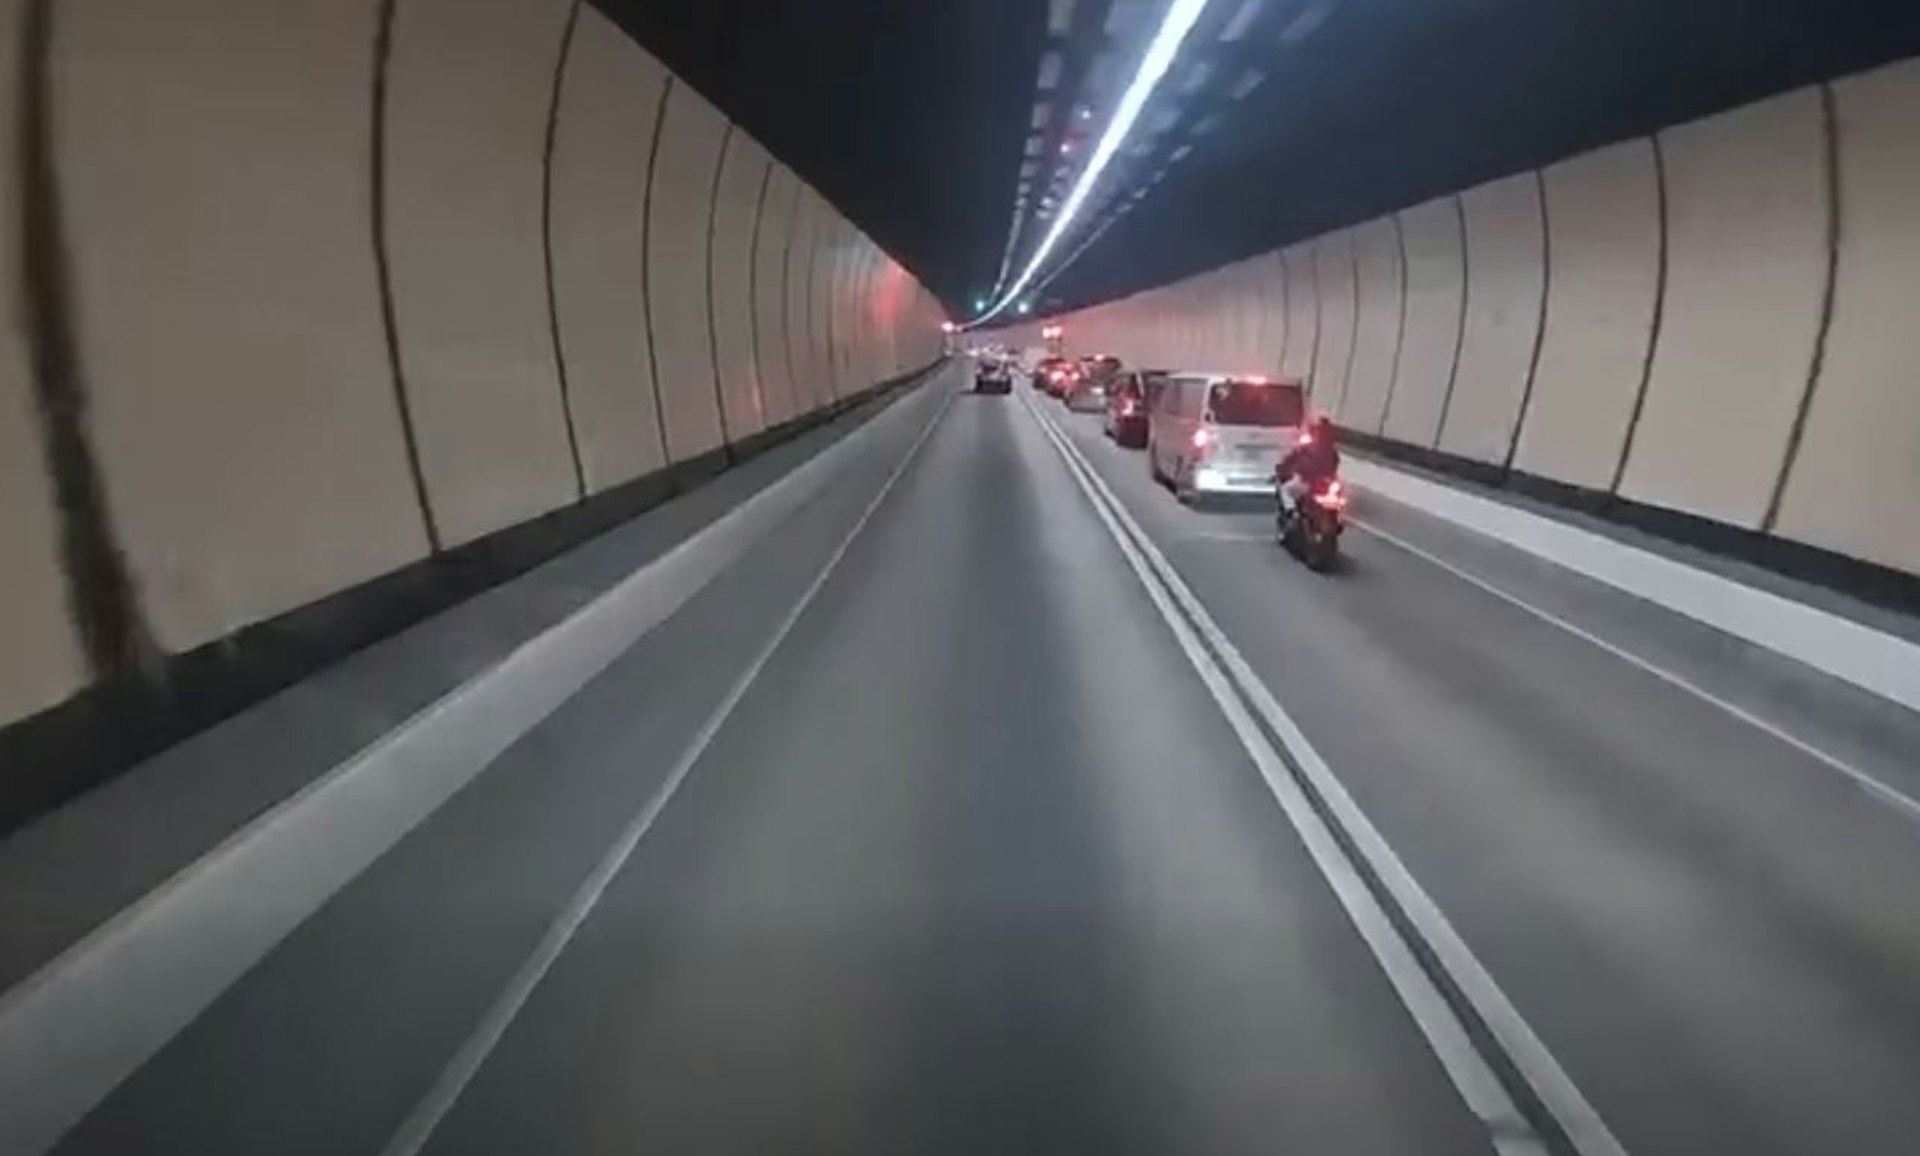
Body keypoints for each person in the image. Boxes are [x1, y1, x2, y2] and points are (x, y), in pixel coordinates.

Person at [1276, 415, 1341, 520]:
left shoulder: (1308, 448)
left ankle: (1291, 511)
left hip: (1308, 481)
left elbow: (1292, 458)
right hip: (1326, 482)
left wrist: (1285, 467)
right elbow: (1336, 464)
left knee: (1285, 490)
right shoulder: (1331, 450)